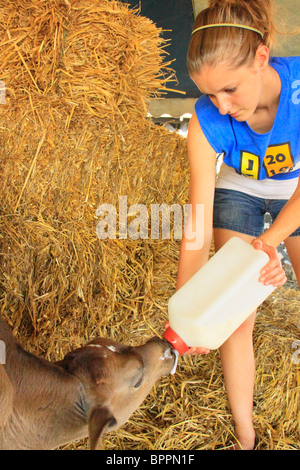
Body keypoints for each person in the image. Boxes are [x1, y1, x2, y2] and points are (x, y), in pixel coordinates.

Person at [176, 0, 300, 450]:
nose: (222, 107)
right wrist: (191, 307)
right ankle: (246, 438)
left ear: (262, 59)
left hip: (294, 190)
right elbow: (197, 220)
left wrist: (268, 243)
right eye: (210, 95)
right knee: (235, 313)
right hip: (239, 188)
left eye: (229, 89)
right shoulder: (207, 119)